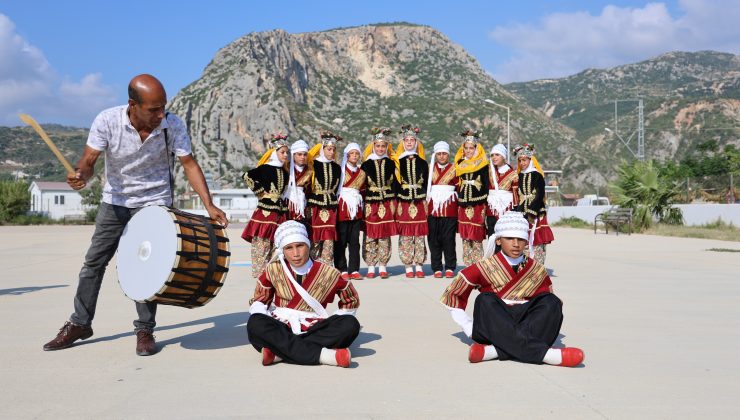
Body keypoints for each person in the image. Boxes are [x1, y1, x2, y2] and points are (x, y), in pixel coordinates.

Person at [42, 74, 227, 356]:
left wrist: (209, 204)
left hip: (154, 202)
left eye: (163, 106)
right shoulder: (107, 120)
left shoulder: (171, 124)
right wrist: (80, 175)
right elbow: (89, 160)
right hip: (115, 202)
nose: (160, 114)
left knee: (148, 266)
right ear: (133, 104)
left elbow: (189, 164)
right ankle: (80, 323)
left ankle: (145, 329)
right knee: (93, 263)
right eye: (154, 109)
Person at [440, 211, 584, 367]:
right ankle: (547, 355)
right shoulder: (483, 267)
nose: (516, 244)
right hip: (496, 323)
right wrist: (469, 327)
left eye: (521, 239)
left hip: (527, 322)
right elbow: (452, 295)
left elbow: (546, 305)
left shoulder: (536, 268)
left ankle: (495, 351)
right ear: (499, 240)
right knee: (485, 300)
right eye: (509, 238)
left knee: (552, 302)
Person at [246, 221, 361, 367]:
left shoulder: (329, 273)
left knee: (350, 324)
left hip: (314, 326)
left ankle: (279, 352)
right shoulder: (273, 270)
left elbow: (350, 301)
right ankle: (326, 356)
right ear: (282, 250)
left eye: (300, 246)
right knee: (255, 322)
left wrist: (336, 318)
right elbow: (260, 302)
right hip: (282, 325)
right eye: (289, 248)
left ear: (309, 245)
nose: (295, 254)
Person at [241, 133, 290, 278]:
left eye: (286, 152)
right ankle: (260, 274)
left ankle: (273, 273)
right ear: (274, 153)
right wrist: (260, 192)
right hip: (265, 210)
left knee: (277, 243)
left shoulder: (284, 171)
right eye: (282, 152)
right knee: (262, 242)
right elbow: (246, 176)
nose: (285, 155)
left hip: (280, 211)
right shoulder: (264, 168)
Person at [361, 128, 399, 279]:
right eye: (378, 146)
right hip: (371, 202)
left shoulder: (391, 164)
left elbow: (395, 184)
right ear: (373, 146)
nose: (380, 149)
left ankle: (383, 265)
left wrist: (395, 202)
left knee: (384, 235)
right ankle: (371, 266)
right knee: (370, 234)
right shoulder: (366, 164)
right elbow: (362, 185)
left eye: (383, 146)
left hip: (387, 201)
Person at [394, 125, 429, 278]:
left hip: (420, 200)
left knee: (419, 234)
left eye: (412, 140)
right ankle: (408, 265)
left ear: (416, 142)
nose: (409, 143)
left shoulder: (422, 162)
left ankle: (419, 264)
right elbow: (394, 183)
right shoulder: (397, 162)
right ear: (402, 142)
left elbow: (427, 182)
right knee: (406, 234)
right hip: (404, 201)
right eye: (406, 140)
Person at [513, 144, 554, 265]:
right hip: (522, 211)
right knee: (523, 239)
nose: (522, 163)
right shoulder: (519, 175)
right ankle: (525, 266)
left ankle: (537, 266)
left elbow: (540, 194)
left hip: (536, 212)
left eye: (524, 160)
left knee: (537, 240)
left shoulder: (537, 175)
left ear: (531, 160)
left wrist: (532, 211)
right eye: (520, 160)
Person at [454, 130, 489, 266]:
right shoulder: (460, 163)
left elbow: (486, 184)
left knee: (476, 237)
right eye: (466, 148)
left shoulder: (482, 163)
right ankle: (468, 265)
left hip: (478, 203)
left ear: (476, 148)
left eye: (471, 148)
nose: (468, 151)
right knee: (465, 237)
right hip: (463, 203)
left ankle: (478, 265)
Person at [307, 131, 342, 265]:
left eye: (333, 149)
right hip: (316, 204)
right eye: (328, 149)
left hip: (331, 205)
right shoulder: (313, 164)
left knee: (329, 238)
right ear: (322, 149)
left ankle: (326, 266)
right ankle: (313, 265)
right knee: (315, 236)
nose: (331, 152)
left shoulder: (337, 168)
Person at [334, 143, 366, 280]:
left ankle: (354, 269)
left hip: (356, 209)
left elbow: (363, 191)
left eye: (357, 154)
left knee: (354, 241)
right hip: (343, 207)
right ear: (347, 155)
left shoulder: (362, 173)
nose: (354, 156)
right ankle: (341, 268)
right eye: (352, 154)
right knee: (341, 240)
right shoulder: (340, 171)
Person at [426, 141, 459, 278]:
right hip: (433, 208)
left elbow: (458, 187)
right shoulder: (429, 169)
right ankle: (437, 267)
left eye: (444, 154)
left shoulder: (454, 169)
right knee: (433, 238)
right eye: (439, 154)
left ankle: (450, 266)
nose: (441, 156)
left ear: (448, 155)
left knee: (449, 238)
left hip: (449, 208)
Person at [486, 144, 518, 238]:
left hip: (507, 210)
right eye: (492, 155)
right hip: (491, 210)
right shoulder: (489, 171)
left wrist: (516, 211)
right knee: (492, 237)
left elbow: (516, 195)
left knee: (506, 236)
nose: (494, 157)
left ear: (503, 156)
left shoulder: (513, 174)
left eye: (497, 155)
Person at [283, 139, 312, 229]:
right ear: (293, 155)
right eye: (299, 154)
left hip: (303, 204)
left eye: (305, 154)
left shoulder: (310, 170)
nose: (302, 157)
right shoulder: (285, 168)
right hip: (288, 203)